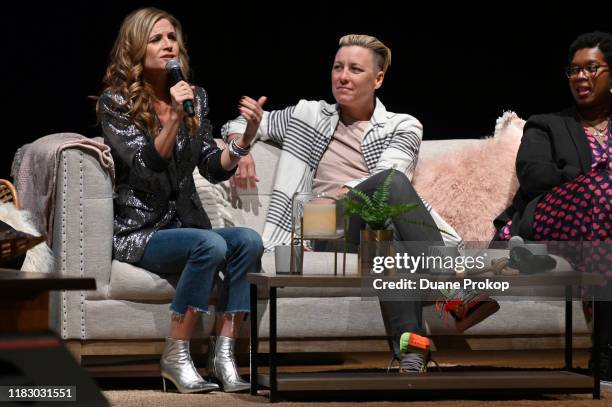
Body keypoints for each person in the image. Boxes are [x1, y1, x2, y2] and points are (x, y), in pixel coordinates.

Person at [222, 34, 500, 372]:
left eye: (355, 69)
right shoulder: (307, 115)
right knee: (387, 194)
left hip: (372, 225)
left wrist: (348, 191)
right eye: (338, 67)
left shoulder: (403, 125)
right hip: (321, 226)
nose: (342, 76)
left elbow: (389, 176)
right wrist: (241, 144)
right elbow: (239, 123)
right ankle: (453, 288)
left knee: (388, 238)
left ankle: (411, 353)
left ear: (378, 79)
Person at [97, 7, 263, 393]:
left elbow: (211, 166)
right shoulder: (117, 102)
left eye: (171, 37)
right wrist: (171, 119)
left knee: (249, 241)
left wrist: (243, 141)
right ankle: (177, 354)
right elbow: (144, 168)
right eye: (156, 39)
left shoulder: (196, 98)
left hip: (186, 222)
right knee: (209, 242)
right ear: (136, 48)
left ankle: (224, 356)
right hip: (141, 230)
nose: (167, 45)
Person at [494, 31, 611, 381]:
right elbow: (534, 176)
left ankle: (605, 351)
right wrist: (590, 177)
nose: (580, 77)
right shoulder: (547, 124)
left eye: (591, 68)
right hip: (551, 215)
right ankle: (605, 351)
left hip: (600, 223)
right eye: (574, 71)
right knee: (603, 188)